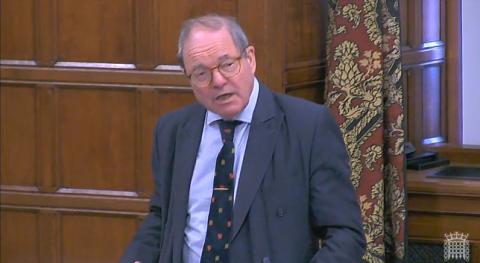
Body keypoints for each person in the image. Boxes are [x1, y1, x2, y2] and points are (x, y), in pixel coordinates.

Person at [121, 14, 365, 263]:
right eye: (201, 73)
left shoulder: (307, 126)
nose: (217, 81)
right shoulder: (172, 130)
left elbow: (345, 234)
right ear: (189, 79)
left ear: (250, 58)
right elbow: (162, 216)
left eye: (227, 65)